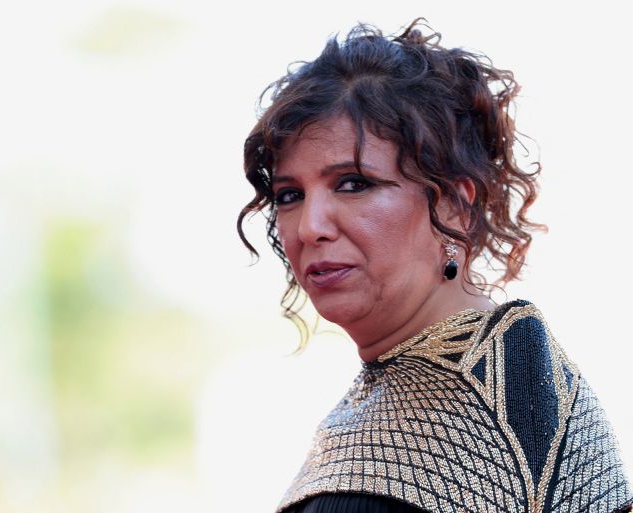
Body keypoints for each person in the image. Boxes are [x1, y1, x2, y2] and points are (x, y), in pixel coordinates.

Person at [237, 19, 632, 513]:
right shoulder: (518, 374)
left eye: (353, 183)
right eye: (290, 195)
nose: (308, 226)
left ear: (454, 206)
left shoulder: (482, 408)